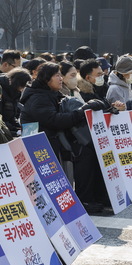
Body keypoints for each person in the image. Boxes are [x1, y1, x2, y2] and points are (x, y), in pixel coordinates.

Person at [20, 62, 109, 213]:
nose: (61, 79)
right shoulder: (37, 97)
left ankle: (96, 196)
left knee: (88, 148)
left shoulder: (50, 93)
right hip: (42, 144)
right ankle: (84, 199)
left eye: (61, 75)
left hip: (55, 139)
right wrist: (82, 111)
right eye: (57, 76)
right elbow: (55, 120)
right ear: (46, 78)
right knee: (82, 152)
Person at [0, 67, 30, 135]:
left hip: (7, 125)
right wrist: (13, 129)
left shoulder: (15, 92)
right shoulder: (0, 91)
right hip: (1, 128)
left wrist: (18, 127)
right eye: (22, 87)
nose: (22, 90)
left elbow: (11, 115)